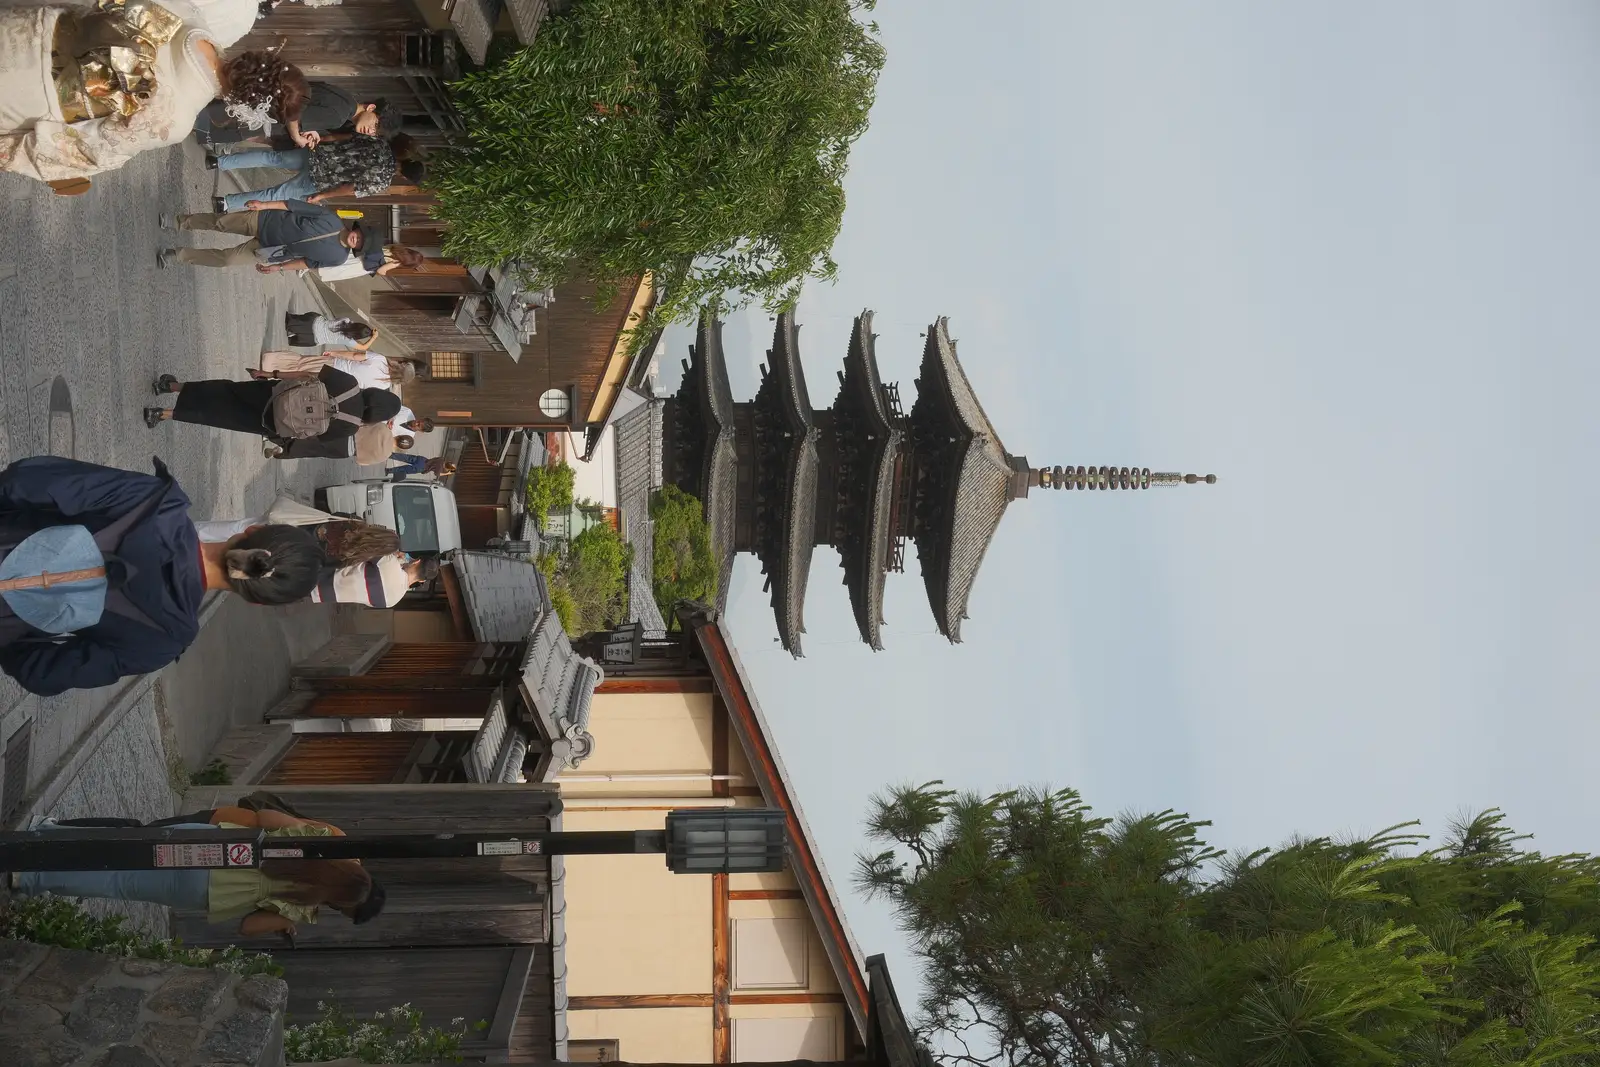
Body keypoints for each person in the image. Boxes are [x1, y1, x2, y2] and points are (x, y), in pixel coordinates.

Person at [0, 456, 322, 696]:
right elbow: (42, 673)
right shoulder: (163, 642)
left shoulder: (154, 503)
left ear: (253, 529)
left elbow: (27, 482)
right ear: (255, 601)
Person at [0, 18, 299, 188]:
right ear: (248, 108)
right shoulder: (176, 117)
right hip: (32, 93)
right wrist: (14, 152)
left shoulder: (193, 21)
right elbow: (90, 147)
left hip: (33, 26)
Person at [10, 810, 386, 942]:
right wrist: (279, 922)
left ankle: (44, 835)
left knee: (125, 841)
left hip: (210, 843)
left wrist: (299, 826)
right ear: (342, 903)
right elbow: (248, 926)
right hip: (198, 890)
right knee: (116, 882)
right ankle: (26, 879)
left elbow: (266, 818)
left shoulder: (319, 843)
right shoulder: (305, 909)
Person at [144, 366, 402, 444]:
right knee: (220, 417)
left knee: (224, 391)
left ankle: (171, 387)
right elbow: (313, 436)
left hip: (271, 393)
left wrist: (270, 374)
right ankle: (163, 414)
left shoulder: (350, 383)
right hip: (273, 424)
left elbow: (306, 374)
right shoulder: (350, 428)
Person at [212, 133, 423, 213]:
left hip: (317, 154)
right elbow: (350, 188)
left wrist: (322, 139)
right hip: (320, 181)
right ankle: (227, 203)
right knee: (275, 195)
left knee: (271, 158)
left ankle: (219, 161)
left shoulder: (378, 142)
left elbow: (346, 137)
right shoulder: (383, 179)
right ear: (405, 174)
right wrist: (323, 196)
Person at [158, 199, 364, 272]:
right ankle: (179, 222)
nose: (357, 240)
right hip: (265, 221)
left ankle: (176, 255)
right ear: (356, 229)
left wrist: (279, 267)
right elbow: (292, 206)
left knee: (227, 260)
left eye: (360, 244)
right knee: (220, 222)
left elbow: (307, 263)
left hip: (271, 251)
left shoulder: (338, 258)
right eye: (360, 235)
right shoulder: (331, 218)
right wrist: (263, 205)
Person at [311, 553, 438, 608]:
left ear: (416, 561)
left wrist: (393, 554)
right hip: (323, 595)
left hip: (322, 572)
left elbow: (363, 549)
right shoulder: (393, 600)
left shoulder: (389, 562)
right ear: (421, 581)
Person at [284, 313, 374, 350]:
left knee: (316, 319)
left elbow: (350, 325)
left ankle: (294, 326)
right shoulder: (349, 341)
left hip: (312, 321)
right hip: (312, 338)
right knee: (314, 339)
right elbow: (363, 347)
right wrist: (373, 337)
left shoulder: (345, 320)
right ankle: (294, 334)